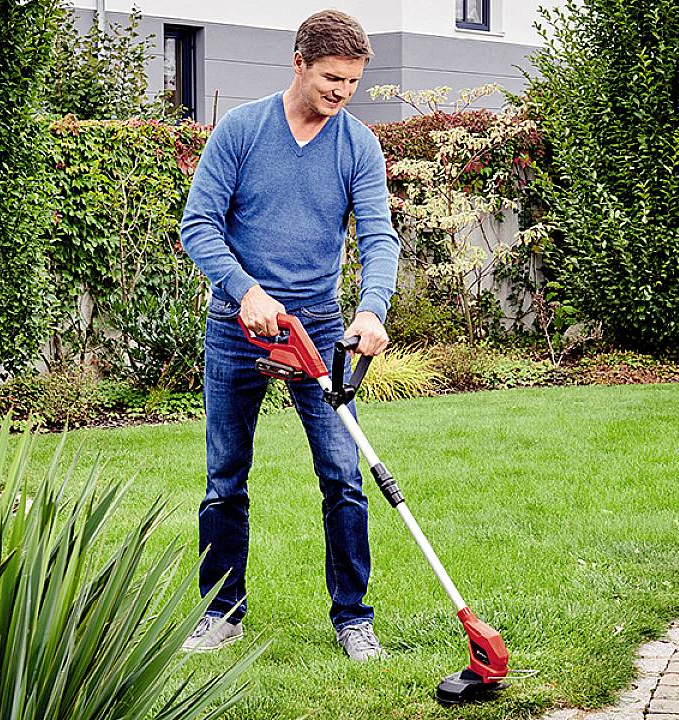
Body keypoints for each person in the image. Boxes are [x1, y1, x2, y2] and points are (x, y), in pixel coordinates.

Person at [179, 9, 400, 662]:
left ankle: (353, 618)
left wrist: (372, 309)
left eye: (352, 82)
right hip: (238, 327)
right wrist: (244, 289)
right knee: (225, 477)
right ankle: (221, 614)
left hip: (319, 330)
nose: (342, 92)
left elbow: (379, 236)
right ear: (298, 63)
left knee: (344, 476)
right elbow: (198, 225)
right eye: (332, 78)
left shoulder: (357, 145)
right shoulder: (242, 130)